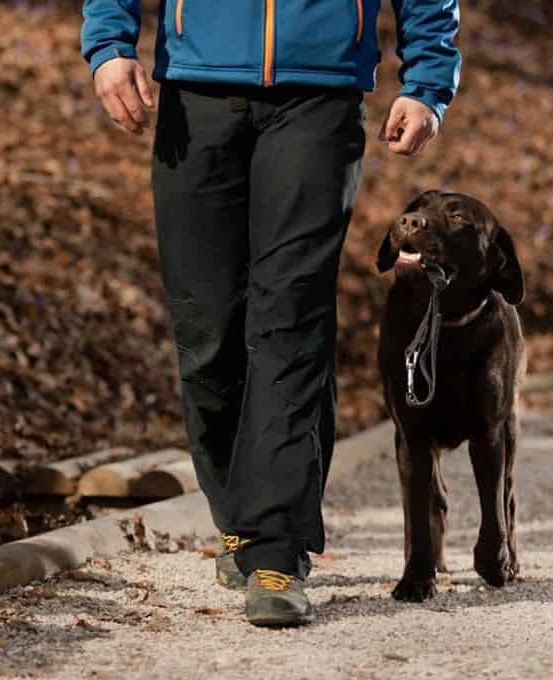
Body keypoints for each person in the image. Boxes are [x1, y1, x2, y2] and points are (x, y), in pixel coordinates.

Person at [81, 0, 461, 627]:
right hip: (196, 94)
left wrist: (426, 81)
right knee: (208, 329)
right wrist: (109, 45)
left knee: (291, 318)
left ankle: (278, 550)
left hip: (319, 97)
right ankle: (238, 519)